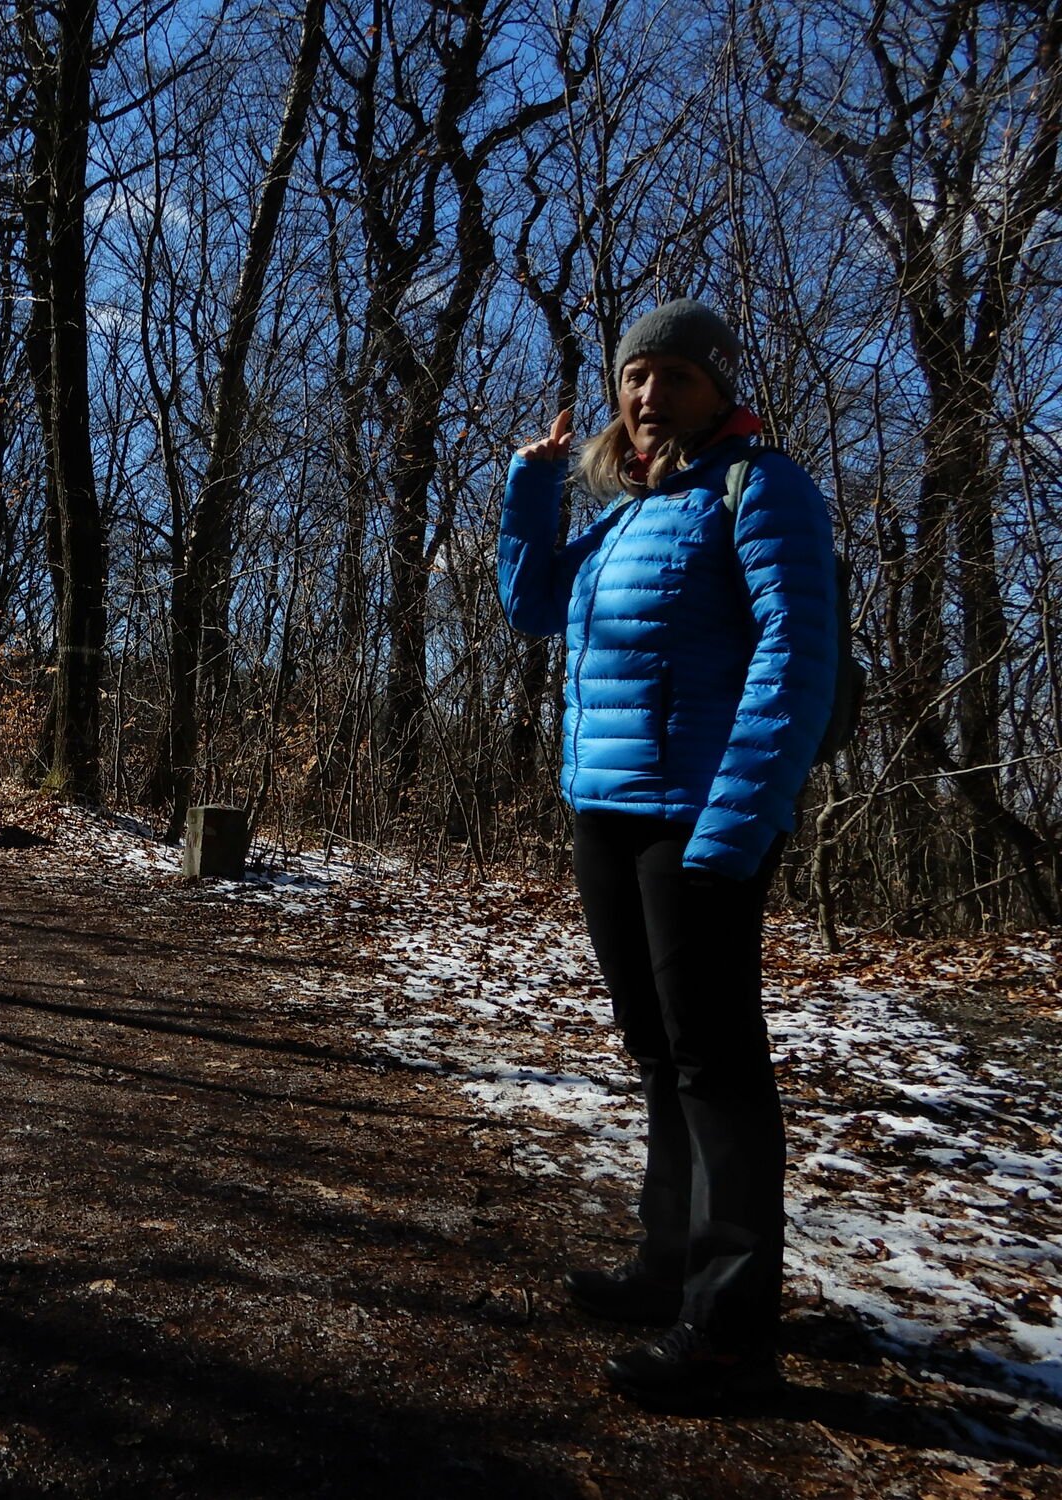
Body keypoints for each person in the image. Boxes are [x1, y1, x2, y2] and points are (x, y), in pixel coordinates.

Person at [496, 299, 838, 1403]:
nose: (648, 395)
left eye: (675, 376)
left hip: (699, 818)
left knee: (714, 1063)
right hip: (607, 813)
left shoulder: (761, 488)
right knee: (656, 1050)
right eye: (635, 376)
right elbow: (533, 607)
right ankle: (668, 1265)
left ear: (717, 389)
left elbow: (797, 657)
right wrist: (532, 486)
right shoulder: (632, 510)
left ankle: (729, 1329)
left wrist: (742, 815)